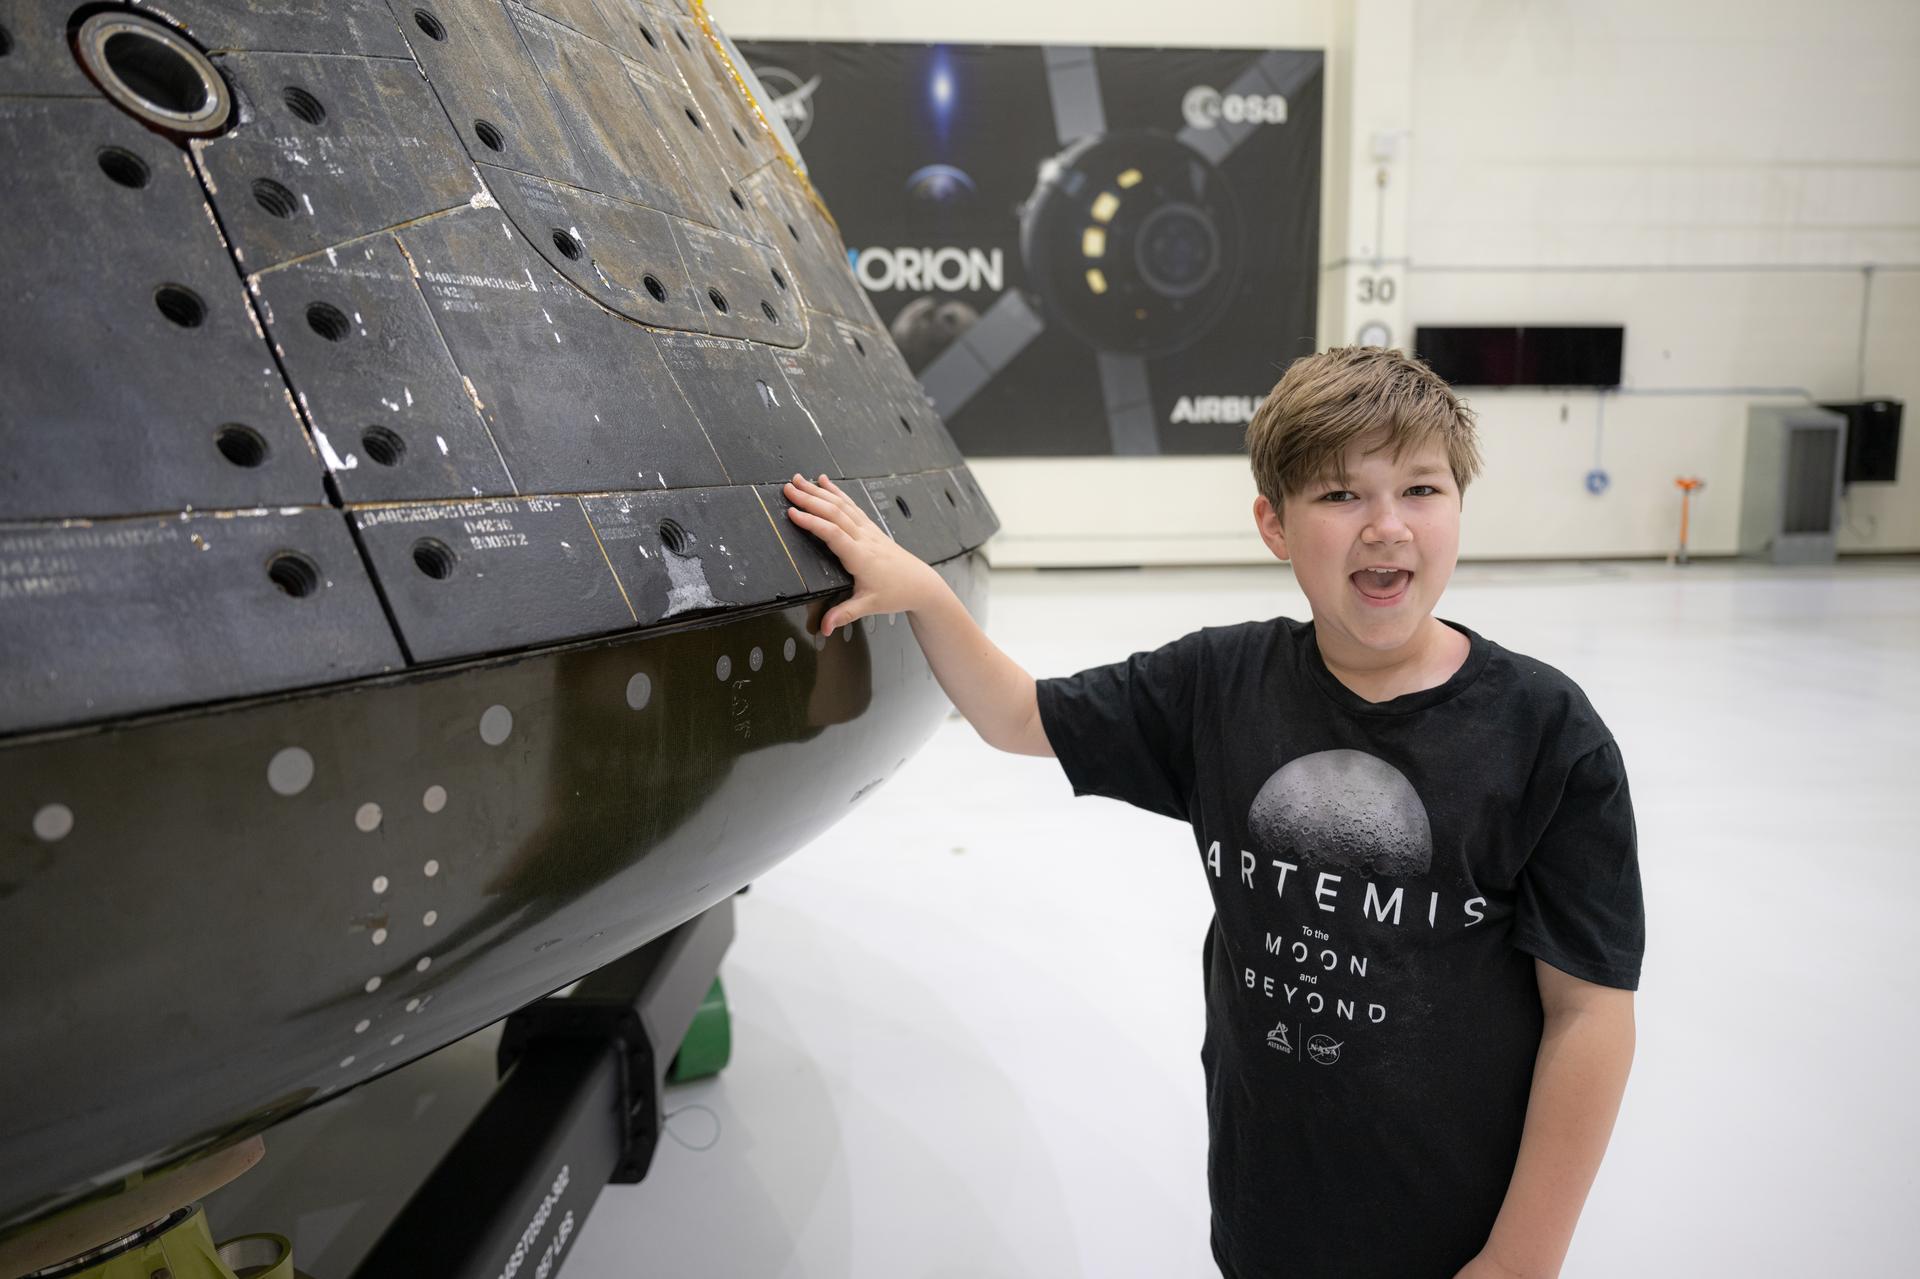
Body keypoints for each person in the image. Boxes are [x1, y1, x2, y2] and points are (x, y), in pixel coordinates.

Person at [779, 345, 1644, 1279]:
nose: (1387, 528)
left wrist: (1522, 1258)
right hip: (1266, 1214)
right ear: (1274, 523)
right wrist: (924, 590)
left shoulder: (1548, 737)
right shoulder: (1220, 686)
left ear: (1460, 506)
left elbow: (1589, 1012)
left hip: (1453, 1236)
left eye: (1422, 490)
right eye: (1341, 495)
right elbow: (1022, 714)